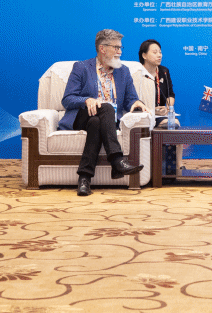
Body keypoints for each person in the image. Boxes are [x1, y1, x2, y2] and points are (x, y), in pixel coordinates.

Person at [60, 29, 149, 196]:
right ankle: (117, 160)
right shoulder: (82, 67)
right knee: (105, 107)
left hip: (105, 121)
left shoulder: (123, 71)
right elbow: (67, 99)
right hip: (82, 117)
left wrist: (137, 103)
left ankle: (84, 179)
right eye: (116, 47)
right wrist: (87, 100)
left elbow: (131, 99)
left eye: (121, 48)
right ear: (102, 48)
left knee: (96, 123)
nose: (120, 52)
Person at [138, 39, 178, 177]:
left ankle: (174, 167)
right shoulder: (137, 73)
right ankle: (160, 166)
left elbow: (170, 94)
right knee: (170, 124)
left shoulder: (164, 72)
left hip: (161, 114)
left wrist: (168, 107)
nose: (159, 55)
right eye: (155, 52)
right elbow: (133, 98)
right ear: (144, 55)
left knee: (174, 124)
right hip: (144, 113)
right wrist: (152, 109)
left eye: (160, 52)